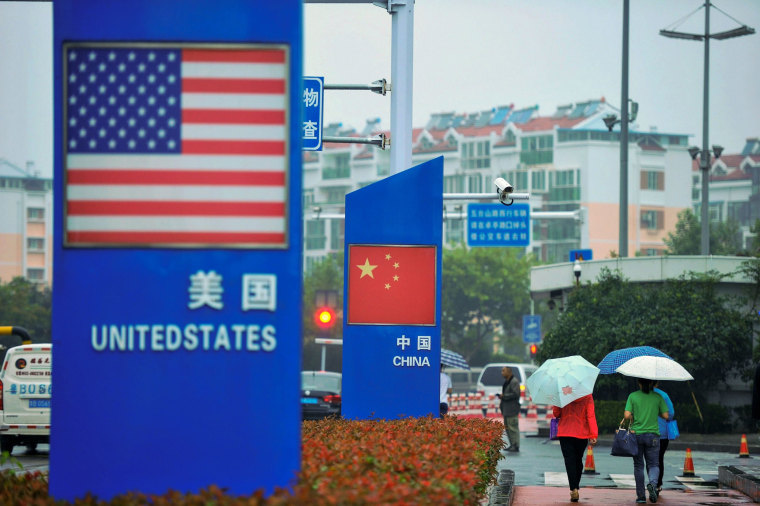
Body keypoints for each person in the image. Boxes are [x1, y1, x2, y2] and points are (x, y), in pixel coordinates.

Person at [622, 378, 669, 504]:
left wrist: (633, 416)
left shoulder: (633, 396)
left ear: (639, 383)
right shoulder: (658, 397)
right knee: (654, 464)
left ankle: (641, 496)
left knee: (638, 466)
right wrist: (656, 411)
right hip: (653, 435)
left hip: (636, 435)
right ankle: (653, 485)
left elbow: (626, 415)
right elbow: (666, 416)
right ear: (652, 383)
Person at [552, 394, 598, 503]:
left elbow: (556, 413)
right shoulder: (587, 395)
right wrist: (593, 434)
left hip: (565, 432)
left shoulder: (561, 392)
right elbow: (590, 415)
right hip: (581, 433)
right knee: (578, 460)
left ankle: (573, 489)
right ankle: (575, 485)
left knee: (569, 461)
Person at [653, 382, 676, 493]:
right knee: (659, 459)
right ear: (656, 383)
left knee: (649, 459)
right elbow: (671, 414)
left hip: (644, 432)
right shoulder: (663, 395)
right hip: (662, 433)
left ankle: (651, 481)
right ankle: (657, 484)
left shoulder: (639, 394)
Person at [496, 366, 520, 452]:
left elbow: (516, 394)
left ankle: (515, 445)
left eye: (503, 371)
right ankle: (512, 444)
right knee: (508, 428)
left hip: (512, 409)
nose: (502, 373)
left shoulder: (514, 381)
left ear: (509, 372)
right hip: (506, 409)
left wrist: (504, 396)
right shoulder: (507, 381)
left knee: (513, 427)